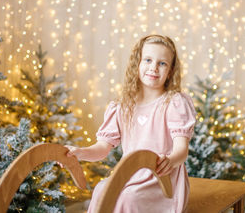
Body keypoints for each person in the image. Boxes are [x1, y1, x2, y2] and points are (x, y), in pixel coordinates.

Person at [64, 34, 196, 213]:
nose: (154, 68)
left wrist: (170, 160)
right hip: (130, 175)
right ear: (137, 64)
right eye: (148, 60)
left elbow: (182, 150)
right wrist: (80, 153)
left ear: (170, 71)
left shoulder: (174, 103)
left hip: (162, 180)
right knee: (102, 190)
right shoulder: (122, 106)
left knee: (129, 198)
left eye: (162, 63)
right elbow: (102, 148)